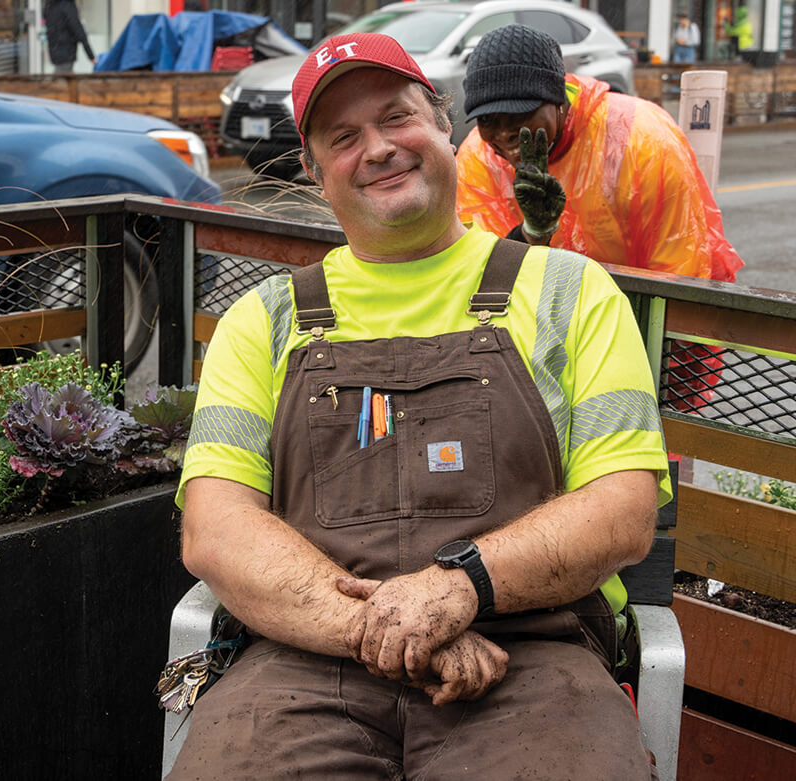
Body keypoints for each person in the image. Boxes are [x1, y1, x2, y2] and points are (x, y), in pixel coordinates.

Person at [169, 32, 670, 779]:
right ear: (313, 169)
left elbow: (623, 508)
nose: (377, 149)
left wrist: (460, 585)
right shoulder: (262, 320)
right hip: (302, 667)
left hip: (532, 662)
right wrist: (381, 627)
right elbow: (216, 528)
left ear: (445, 125)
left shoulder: (570, 291)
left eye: (397, 118)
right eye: (344, 136)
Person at [455, 23, 743, 283]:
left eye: (520, 113)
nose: (505, 133)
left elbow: (681, 266)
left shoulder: (641, 139)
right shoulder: (477, 158)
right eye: (488, 120)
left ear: (557, 100)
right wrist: (533, 231)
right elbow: (482, 273)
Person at [44, 0, 95, 74]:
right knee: (60, 80)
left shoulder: (50, 5)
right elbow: (78, 30)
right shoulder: (67, 5)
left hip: (55, 52)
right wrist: (91, 56)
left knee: (64, 78)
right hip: (66, 52)